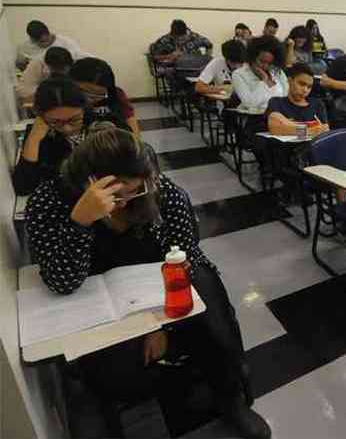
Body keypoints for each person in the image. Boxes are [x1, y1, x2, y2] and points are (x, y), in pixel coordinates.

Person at [25, 127, 271, 438]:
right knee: (117, 377)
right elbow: (62, 282)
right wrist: (81, 222)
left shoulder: (159, 191)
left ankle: (230, 396)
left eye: (136, 189)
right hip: (95, 300)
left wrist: (160, 325)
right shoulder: (50, 201)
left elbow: (185, 257)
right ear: (90, 181)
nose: (130, 199)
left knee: (207, 294)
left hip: (158, 287)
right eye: (119, 192)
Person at [69, 58, 140, 136]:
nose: (88, 99)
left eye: (97, 95)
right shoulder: (63, 100)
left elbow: (130, 121)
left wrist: (136, 143)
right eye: (83, 92)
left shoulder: (117, 94)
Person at [264, 63, 330, 136]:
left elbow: (325, 129)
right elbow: (275, 128)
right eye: (301, 84)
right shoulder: (276, 102)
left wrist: (288, 126)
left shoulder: (317, 104)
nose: (305, 90)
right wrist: (309, 131)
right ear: (290, 81)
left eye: (309, 87)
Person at [232, 36, 289, 111]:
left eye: (270, 63)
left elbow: (287, 96)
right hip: (254, 118)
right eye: (262, 61)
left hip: (279, 116)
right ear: (252, 57)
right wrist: (264, 80)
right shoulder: (239, 74)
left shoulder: (277, 72)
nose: (265, 66)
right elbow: (250, 104)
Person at [16, 20, 89, 70]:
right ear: (33, 40)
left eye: (47, 40)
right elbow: (20, 64)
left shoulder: (66, 42)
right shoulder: (26, 47)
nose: (45, 44)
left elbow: (81, 57)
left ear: (49, 33)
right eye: (41, 42)